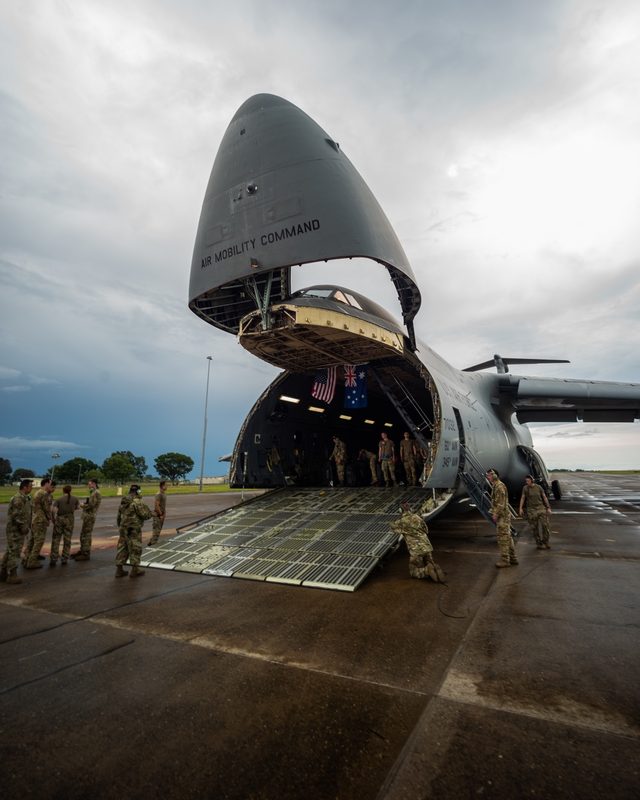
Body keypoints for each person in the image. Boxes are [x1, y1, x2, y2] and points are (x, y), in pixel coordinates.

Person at [390, 501, 445, 582]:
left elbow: (393, 527)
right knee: (428, 560)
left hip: (416, 550)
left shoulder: (401, 522)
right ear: (410, 509)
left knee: (413, 571)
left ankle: (426, 571)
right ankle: (432, 566)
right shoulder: (418, 517)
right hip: (427, 546)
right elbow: (426, 530)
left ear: (400, 511)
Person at [115, 484, 152, 578]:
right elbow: (145, 515)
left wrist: (121, 526)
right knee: (135, 548)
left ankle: (119, 570)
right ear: (138, 491)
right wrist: (151, 513)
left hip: (123, 528)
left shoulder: (123, 501)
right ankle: (135, 570)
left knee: (122, 548)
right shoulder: (137, 502)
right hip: (133, 529)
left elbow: (118, 517)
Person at [1, 479, 33, 584]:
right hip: (15, 530)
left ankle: (2, 572)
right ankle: (12, 574)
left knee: (10, 550)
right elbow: (17, 516)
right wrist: (23, 527)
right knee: (15, 551)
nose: (31, 488)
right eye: (30, 486)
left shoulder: (25, 498)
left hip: (17, 529)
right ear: (24, 487)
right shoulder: (18, 499)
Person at [486, 468, 518, 568]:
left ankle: (505, 560)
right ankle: (513, 558)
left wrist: (495, 514)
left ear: (495, 475)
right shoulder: (496, 486)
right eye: (488, 475)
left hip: (502, 516)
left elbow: (501, 503)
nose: (488, 477)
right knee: (508, 537)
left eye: (490, 475)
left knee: (503, 538)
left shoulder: (499, 486)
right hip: (503, 515)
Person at [24, 478, 55, 569]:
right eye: (49, 484)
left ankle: (26, 558)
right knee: (39, 541)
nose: (50, 485)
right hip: (40, 520)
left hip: (35, 519)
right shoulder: (44, 494)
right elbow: (46, 508)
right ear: (46, 484)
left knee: (32, 540)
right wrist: (49, 518)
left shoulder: (37, 492)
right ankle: (32, 561)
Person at [519, 475, 552, 549]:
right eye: (526, 481)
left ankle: (546, 542)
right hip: (531, 510)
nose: (526, 482)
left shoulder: (539, 487)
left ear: (532, 480)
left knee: (545, 525)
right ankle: (539, 543)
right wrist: (520, 508)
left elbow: (544, 497)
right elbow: (523, 498)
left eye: (528, 481)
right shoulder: (525, 488)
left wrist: (548, 507)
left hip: (541, 508)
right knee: (534, 528)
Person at [72, 479, 102, 561]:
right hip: (88, 516)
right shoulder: (93, 492)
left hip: (90, 516)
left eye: (89, 484)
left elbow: (92, 505)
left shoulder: (96, 493)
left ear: (94, 484)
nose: (88, 485)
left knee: (86, 535)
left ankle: (86, 553)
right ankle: (83, 550)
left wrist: (82, 505)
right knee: (83, 534)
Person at [51, 485, 80, 566]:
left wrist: (53, 519)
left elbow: (53, 511)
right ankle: (64, 558)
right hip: (70, 519)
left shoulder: (59, 499)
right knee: (67, 540)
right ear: (70, 491)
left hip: (60, 519)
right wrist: (71, 509)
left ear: (63, 491)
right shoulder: (75, 499)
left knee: (56, 539)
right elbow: (78, 507)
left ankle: (54, 558)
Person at [148, 480, 168, 546]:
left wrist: (164, 513)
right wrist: (160, 515)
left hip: (162, 515)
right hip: (158, 515)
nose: (167, 486)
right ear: (162, 486)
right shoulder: (158, 494)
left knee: (158, 531)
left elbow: (163, 505)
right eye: (166, 485)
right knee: (156, 532)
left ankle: (151, 543)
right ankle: (153, 545)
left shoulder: (163, 494)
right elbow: (157, 506)